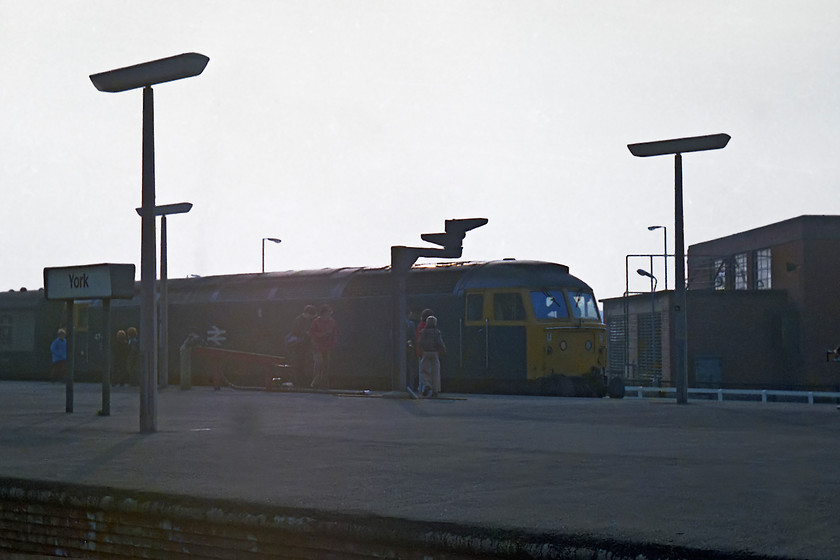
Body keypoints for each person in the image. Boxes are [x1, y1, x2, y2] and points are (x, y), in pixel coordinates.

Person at [285, 304, 317, 387]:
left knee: (300, 364)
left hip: (301, 346)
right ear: (308, 313)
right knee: (298, 364)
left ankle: (300, 382)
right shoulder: (299, 320)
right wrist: (306, 334)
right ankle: (298, 382)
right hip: (298, 346)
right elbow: (296, 331)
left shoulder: (300, 319)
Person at [309, 304, 338, 389]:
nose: (330, 314)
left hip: (327, 346)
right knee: (319, 363)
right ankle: (315, 382)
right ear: (324, 313)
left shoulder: (333, 322)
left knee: (326, 365)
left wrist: (333, 343)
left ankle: (323, 383)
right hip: (317, 346)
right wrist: (323, 334)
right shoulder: (316, 322)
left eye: (330, 312)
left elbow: (335, 334)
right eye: (329, 312)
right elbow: (312, 334)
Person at [417, 315, 446, 398]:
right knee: (436, 372)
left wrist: (423, 348)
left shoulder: (423, 332)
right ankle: (435, 390)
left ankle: (427, 384)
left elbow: (420, 342)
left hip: (426, 352)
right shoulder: (437, 332)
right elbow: (440, 342)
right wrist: (443, 349)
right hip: (434, 353)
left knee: (424, 370)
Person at [415, 308, 433, 392]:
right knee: (428, 372)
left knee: (421, 371)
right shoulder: (430, 327)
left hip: (421, 352)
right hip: (429, 352)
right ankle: (427, 388)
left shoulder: (420, 326)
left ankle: (421, 389)